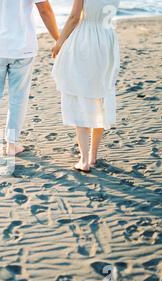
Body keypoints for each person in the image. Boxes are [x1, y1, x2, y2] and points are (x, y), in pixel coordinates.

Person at [0, 0, 60, 157]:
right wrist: (59, 39)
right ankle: (11, 145)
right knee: (18, 97)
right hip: (22, 47)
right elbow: (45, 10)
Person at [52, 0, 120, 172]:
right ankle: (93, 156)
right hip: (107, 40)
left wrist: (59, 41)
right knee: (100, 95)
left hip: (86, 40)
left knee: (82, 95)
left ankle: (83, 160)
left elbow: (74, 17)